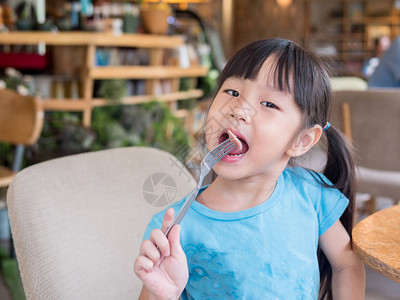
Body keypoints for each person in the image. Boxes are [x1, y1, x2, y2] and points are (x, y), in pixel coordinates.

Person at [134, 38, 366, 299]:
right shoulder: (175, 227)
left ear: (301, 140)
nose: (239, 109)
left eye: (268, 104)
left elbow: (346, 264)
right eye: (232, 92)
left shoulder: (309, 193)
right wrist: (162, 294)